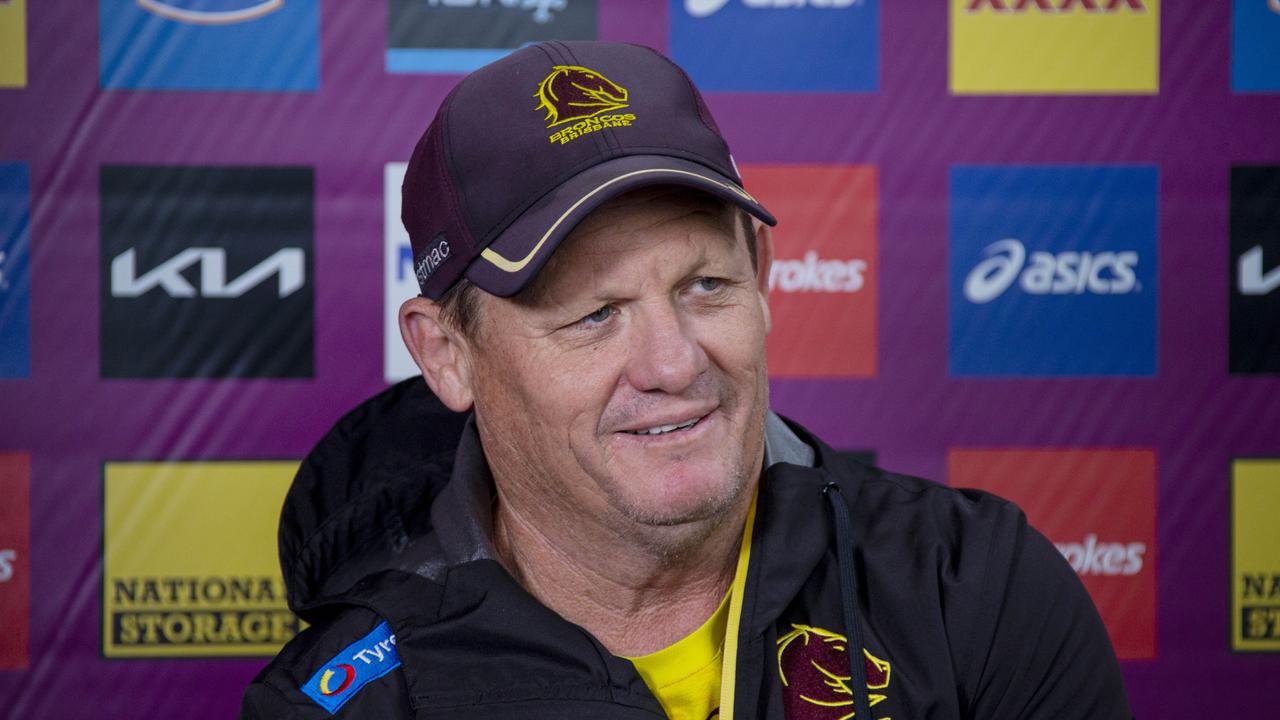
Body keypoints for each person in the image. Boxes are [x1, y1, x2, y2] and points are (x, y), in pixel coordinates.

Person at [240, 41, 1132, 719]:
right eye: (595, 313)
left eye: (704, 286)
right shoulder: (346, 700)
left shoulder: (970, 587)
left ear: (764, 274)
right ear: (448, 355)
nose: (674, 364)